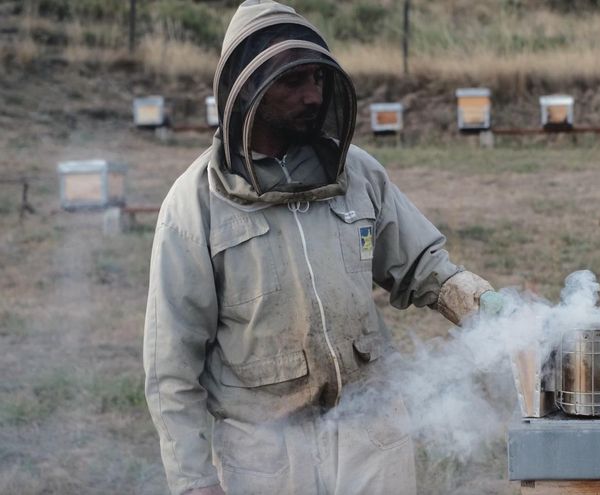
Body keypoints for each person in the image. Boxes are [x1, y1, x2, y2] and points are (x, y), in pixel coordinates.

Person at [143, 1, 497, 494]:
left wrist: (493, 309)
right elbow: (171, 365)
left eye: (316, 79)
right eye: (293, 82)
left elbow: (426, 269)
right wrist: (193, 481)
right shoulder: (193, 205)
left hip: (371, 429)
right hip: (264, 448)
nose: (312, 96)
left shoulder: (359, 174)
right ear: (248, 91)